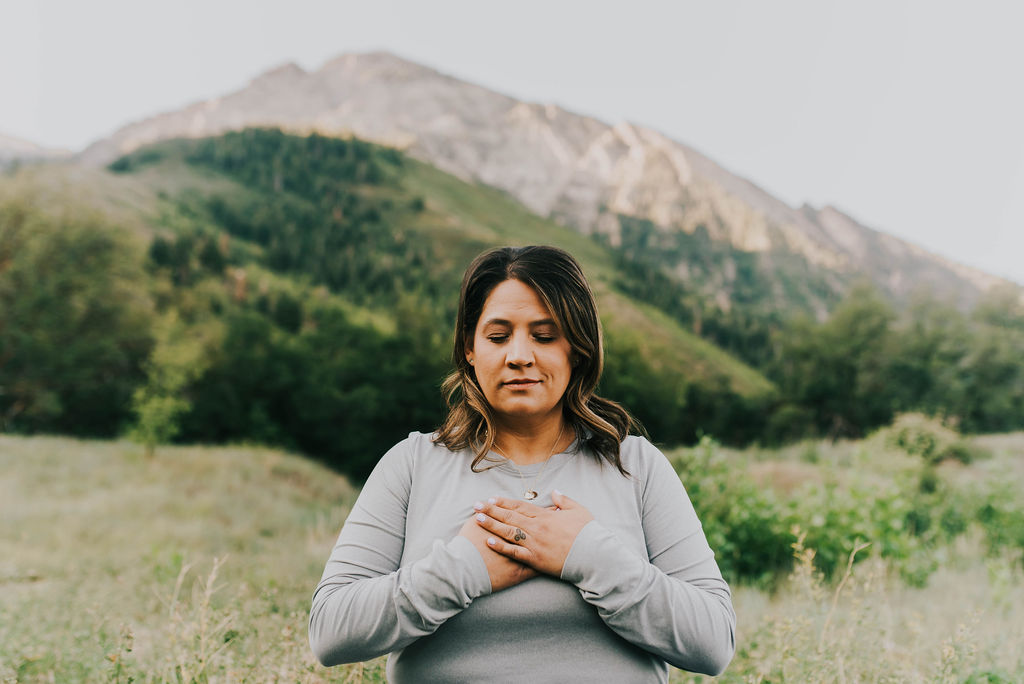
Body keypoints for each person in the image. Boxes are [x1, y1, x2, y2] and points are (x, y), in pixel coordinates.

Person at [309, 245, 736, 682]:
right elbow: (330, 631)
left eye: (544, 336)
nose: (519, 355)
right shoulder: (411, 465)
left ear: (578, 349)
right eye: (498, 337)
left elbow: (714, 642)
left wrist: (589, 557)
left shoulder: (637, 466)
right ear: (470, 348)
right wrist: (462, 569)